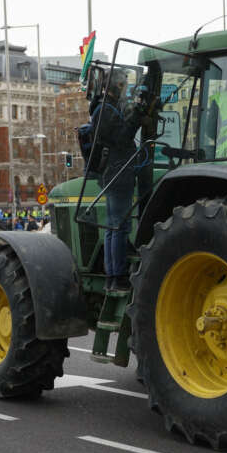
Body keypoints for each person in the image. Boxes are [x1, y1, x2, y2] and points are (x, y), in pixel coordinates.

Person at [94, 69, 146, 292]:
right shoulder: (106, 110)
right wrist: (136, 117)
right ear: (116, 85)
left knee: (113, 226)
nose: (126, 86)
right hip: (119, 172)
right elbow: (122, 137)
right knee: (119, 226)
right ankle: (117, 276)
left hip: (115, 172)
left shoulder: (104, 107)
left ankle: (112, 276)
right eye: (124, 83)